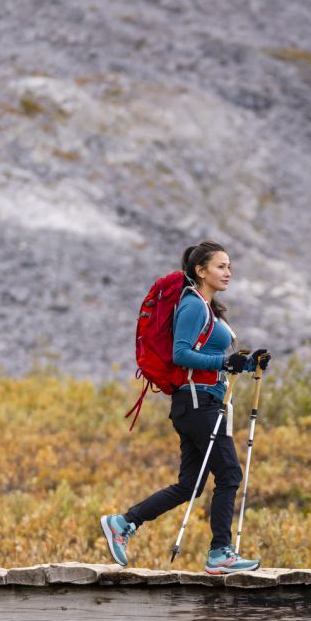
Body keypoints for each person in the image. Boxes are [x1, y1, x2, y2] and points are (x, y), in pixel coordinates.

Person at [100, 241, 270, 574]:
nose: (228, 272)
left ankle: (123, 523)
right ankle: (220, 553)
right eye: (221, 266)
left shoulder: (208, 307)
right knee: (230, 474)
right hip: (199, 402)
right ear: (200, 271)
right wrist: (225, 361)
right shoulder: (193, 306)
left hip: (199, 402)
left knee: (189, 485)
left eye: (229, 266)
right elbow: (181, 353)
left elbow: (215, 362)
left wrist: (248, 364)